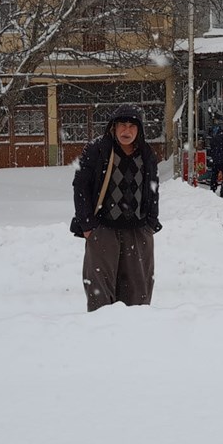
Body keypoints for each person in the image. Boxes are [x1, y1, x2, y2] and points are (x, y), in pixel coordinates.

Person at [70, 104, 162, 312]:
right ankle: (102, 330)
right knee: (100, 294)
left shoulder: (146, 153)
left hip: (137, 230)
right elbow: (81, 186)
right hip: (103, 229)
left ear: (139, 129)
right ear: (113, 126)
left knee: (138, 294)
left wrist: (151, 222)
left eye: (132, 126)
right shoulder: (97, 150)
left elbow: (153, 188)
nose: (126, 130)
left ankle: (134, 331)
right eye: (122, 125)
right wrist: (87, 224)